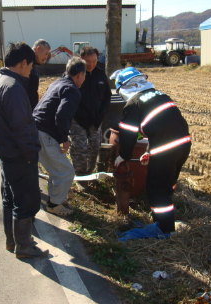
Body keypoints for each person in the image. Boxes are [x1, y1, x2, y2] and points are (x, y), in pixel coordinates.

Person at [0, 42, 48, 259]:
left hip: (5, 152)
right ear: (23, 63)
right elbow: (21, 126)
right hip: (18, 155)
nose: (31, 70)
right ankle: (24, 246)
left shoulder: (0, 81)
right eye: (30, 66)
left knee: (9, 199)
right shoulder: (13, 87)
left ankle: (12, 241)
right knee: (26, 201)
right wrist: (31, 155)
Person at [112, 67, 191, 234]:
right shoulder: (161, 95)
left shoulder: (134, 103)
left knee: (156, 188)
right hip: (184, 143)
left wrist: (123, 156)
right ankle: (164, 220)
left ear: (124, 88)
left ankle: (163, 229)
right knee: (167, 184)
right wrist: (150, 150)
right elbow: (164, 124)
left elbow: (127, 133)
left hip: (165, 148)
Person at [33, 57, 86, 216]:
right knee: (67, 171)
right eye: (84, 76)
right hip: (45, 133)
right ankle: (54, 205)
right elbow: (61, 116)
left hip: (35, 129)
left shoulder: (57, 83)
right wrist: (64, 139)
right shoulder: (72, 90)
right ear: (79, 75)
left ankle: (54, 199)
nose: (84, 80)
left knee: (56, 170)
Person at [69, 46, 111, 191]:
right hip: (78, 120)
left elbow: (107, 97)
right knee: (80, 148)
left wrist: (101, 115)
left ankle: (88, 174)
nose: (91, 64)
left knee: (94, 148)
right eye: (88, 61)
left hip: (95, 121)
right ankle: (80, 178)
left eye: (94, 61)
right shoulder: (75, 74)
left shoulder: (100, 75)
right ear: (81, 59)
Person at [26, 39, 51, 110]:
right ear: (38, 48)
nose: (46, 58)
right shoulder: (26, 64)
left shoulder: (33, 65)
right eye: (45, 54)